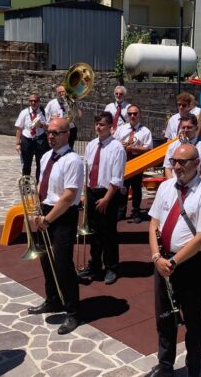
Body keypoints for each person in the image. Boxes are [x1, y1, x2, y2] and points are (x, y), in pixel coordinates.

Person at [146, 143, 201, 377]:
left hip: (189, 265)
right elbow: (154, 223)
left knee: (193, 319)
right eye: (174, 161)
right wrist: (157, 257)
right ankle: (165, 365)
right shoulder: (166, 187)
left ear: (197, 164)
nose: (177, 166)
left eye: (182, 162)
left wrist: (174, 261)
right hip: (163, 262)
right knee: (164, 316)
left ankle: (194, 367)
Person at [26, 117, 83, 335]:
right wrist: (34, 211)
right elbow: (41, 185)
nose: (50, 136)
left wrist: (48, 219)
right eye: (48, 132)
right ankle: (52, 300)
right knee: (45, 260)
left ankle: (73, 312)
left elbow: (69, 196)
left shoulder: (73, 160)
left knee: (62, 265)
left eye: (55, 132)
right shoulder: (46, 156)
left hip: (62, 215)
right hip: (44, 211)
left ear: (66, 134)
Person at [79, 112, 126, 285]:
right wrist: (85, 194)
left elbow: (117, 177)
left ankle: (112, 267)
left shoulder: (117, 148)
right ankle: (95, 265)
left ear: (110, 127)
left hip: (108, 194)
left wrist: (106, 199)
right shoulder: (91, 145)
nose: (98, 127)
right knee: (94, 232)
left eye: (102, 125)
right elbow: (86, 171)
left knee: (109, 234)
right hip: (92, 192)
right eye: (97, 124)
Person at [114, 104, 153, 223]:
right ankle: (121, 211)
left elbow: (148, 148)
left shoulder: (145, 131)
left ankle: (136, 212)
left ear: (139, 115)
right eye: (130, 114)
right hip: (123, 162)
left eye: (135, 114)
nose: (132, 116)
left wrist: (133, 148)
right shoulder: (121, 129)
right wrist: (122, 145)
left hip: (137, 162)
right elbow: (114, 144)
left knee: (136, 189)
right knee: (123, 188)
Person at [163, 114, 201, 181]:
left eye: (189, 127)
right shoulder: (172, 146)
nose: (185, 130)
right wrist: (172, 185)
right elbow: (168, 168)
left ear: (196, 128)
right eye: (183, 127)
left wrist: (191, 186)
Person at [14, 93, 50, 179]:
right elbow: (19, 128)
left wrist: (41, 125)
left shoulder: (44, 112)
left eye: (35, 101)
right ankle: (26, 186)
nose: (33, 103)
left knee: (40, 164)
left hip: (40, 139)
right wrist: (18, 143)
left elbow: (49, 127)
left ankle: (38, 186)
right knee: (26, 164)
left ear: (39, 101)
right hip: (27, 139)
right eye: (31, 101)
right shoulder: (24, 112)